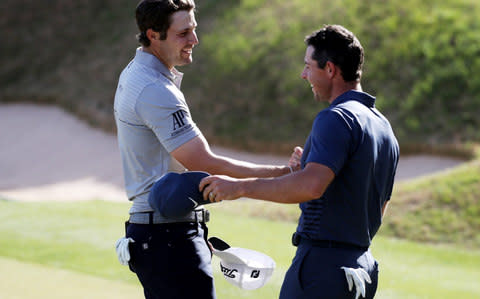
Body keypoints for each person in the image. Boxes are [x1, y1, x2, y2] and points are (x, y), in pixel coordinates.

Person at [199, 25, 400, 298]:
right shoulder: (384, 127)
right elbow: (378, 206)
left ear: (330, 69)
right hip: (361, 268)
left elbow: (311, 186)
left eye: (308, 66)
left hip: (323, 269)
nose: (303, 74)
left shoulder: (336, 117)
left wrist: (240, 187)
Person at [113, 1, 295, 298]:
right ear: (153, 34)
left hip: (161, 233)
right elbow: (204, 162)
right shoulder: (154, 89)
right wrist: (282, 174)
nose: (194, 40)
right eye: (183, 33)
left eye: (194, 29)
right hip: (167, 236)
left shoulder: (136, 75)